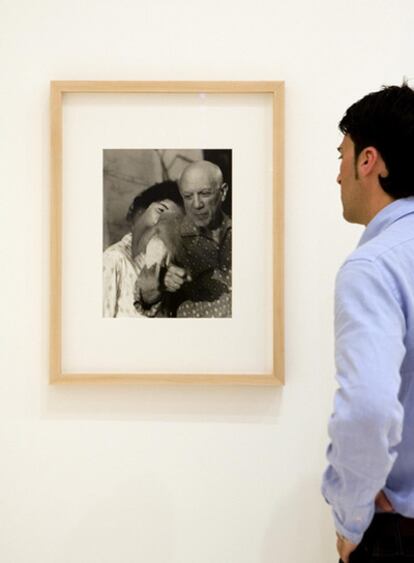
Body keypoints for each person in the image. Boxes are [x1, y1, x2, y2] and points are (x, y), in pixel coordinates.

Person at [322, 84, 414, 563]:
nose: (337, 176)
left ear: (368, 161)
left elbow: (368, 409)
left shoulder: (374, 267)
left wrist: (351, 520)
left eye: (342, 156)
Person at [103, 180, 184, 317]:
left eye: (175, 222)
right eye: (161, 210)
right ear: (139, 212)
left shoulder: (169, 268)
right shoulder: (114, 259)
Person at [164, 160, 232, 317]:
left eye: (205, 194)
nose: (196, 204)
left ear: (223, 192)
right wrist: (162, 281)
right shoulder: (171, 238)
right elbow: (145, 296)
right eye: (188, 196)